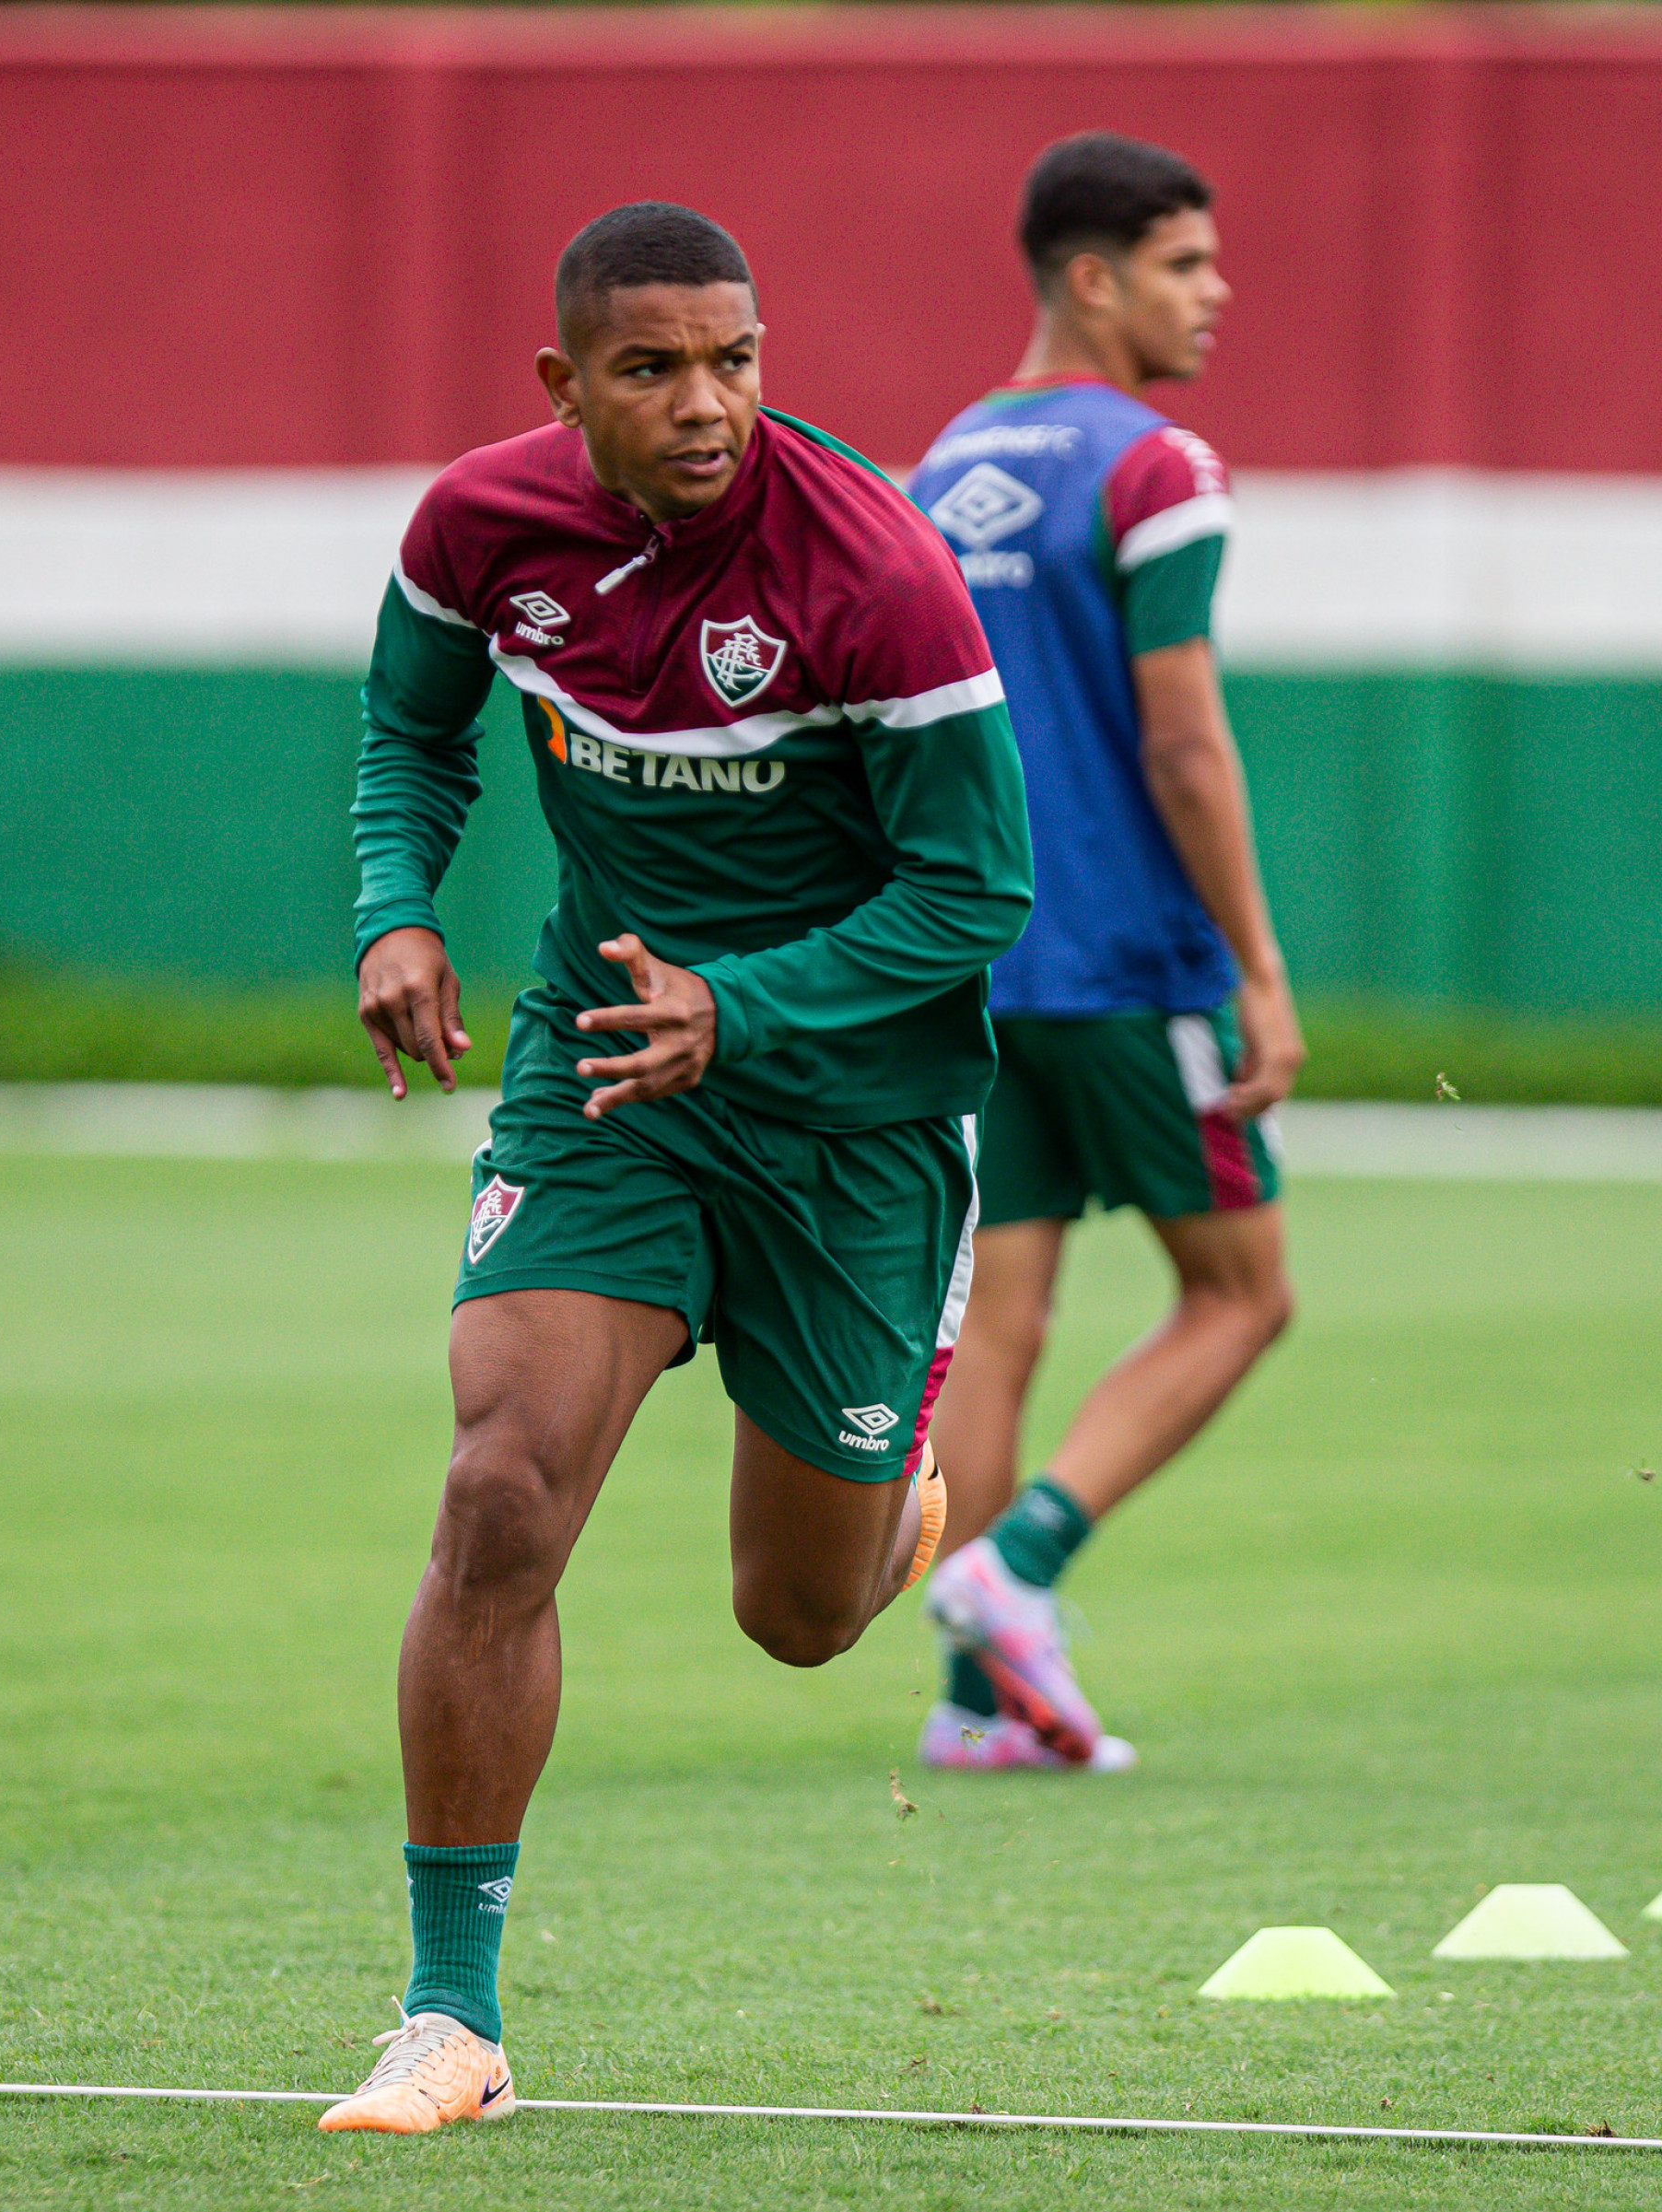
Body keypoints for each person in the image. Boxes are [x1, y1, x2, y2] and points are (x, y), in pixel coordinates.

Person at [317, 201, 1033, 2133]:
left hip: (853, 1123)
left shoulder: (876, 570)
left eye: (735, 359)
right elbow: (410, 733)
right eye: (653, 369)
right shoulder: (481, 528)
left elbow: (978, 890)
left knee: (797, 1618)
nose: (707, 403)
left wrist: (749, 1005)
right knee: (499, 1488)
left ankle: (892, 1493)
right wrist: (397, 908)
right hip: (608, 1076)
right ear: (566, 385)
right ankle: (450, 2015)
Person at [907, 133, 1301, 1775]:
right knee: (1243, 1292)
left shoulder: (937, 471)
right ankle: (1025, 1561)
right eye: (1185, 263)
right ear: (1093, 276)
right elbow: (1184, 742)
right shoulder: (1158, 467)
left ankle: (975, 1702)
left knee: (1003, 1317)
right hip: (1133, 963)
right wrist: (1257, 966)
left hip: (976, 969)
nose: (1218, 293)